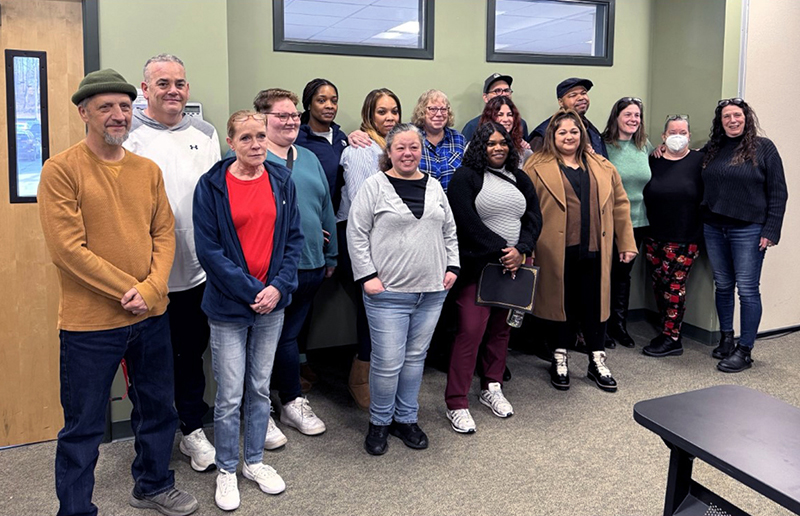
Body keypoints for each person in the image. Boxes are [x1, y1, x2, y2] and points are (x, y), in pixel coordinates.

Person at [39, 69, 198, 516]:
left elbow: (164, 234)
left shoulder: (146, 171)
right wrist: (130, 288)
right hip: (90, 324)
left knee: (158, 410)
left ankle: (152, 484)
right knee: (84, 426)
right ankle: (74, 509)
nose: (117, 115)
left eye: (125, 107)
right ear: (83, 112)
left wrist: (151, 289)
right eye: (106, 107)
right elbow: (68, 249)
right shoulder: (61, 169)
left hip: (149, 315)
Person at [193, 110, 303, 510]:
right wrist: (252, 290)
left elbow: (293, 240)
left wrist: (277, 288)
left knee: (258, 388)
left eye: (260, 136)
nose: (256, 145)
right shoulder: (212, 186)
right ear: (230, 141)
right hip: (228, 307)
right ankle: (226, 469)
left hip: (272, 305)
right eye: (246, 138)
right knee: (228, 394)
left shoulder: (281, 180)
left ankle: (253, 461)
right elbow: (209, 251)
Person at [123, 53, 219, 473]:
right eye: (163, 83)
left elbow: (218, 197)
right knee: (148, 366)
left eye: (179, 83)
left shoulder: (206, 132)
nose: (173, 90)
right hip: (146, 275)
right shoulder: (126, 135)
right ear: (145, 89)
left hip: (197, 272)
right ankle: (152, 443)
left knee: (191, 355)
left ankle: (192, 428)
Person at [347, 123, 459, 455]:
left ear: (421, 151)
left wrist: (452, 266)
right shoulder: (374, 186)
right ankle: (379, 423)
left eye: (414, 148)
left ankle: (406, 419)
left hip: (432, 291)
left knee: (414, 360)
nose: (408, 154)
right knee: (387, 362)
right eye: (401, 148)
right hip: (388, 294)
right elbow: (356, 233)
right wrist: (367, 275)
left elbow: (449, 231)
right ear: (389, 152)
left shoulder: (435, 186)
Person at [524, 109, 636, 393]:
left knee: (595, 304)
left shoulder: (602, 166)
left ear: (582, 134)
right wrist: (527, 248)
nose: (568, 137)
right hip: (553, 251)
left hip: (595, 249)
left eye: (574, 131)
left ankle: (597, 360)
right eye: (562, 132)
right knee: (561, 304)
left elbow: (621, 206)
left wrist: (626, 243)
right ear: (552, 135)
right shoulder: (535, 166)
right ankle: (559, 358)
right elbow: (525, 210)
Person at [444, 122, 541, 433]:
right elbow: (466, 222)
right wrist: (504, 250)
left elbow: (533, 218)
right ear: (479, 147)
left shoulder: (520, 178)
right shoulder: (465, 177)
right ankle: (457, 402)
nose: (498, 148)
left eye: (503, 143)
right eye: (490, 143)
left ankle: (491, 387)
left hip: (513, 268)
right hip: (478, 268)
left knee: (501, 332)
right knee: (470, 332)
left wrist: (522, 249)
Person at [254, 88, 335, 448]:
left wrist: (331, 257)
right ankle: (281, 403)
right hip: (272, 271)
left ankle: (284, 401)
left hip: (312, 266)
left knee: (292, 337)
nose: (289, 122)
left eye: (293, 116)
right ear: (262, 119)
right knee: (275, 339)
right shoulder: (250, 156)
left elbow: (325, 207)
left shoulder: (308, 157)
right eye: (280, 116)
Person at [701, 98, 787, 372]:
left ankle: (745, 349)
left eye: (737, 115)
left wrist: (771, 229)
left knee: (748, 290)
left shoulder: (764, 148)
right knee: (723, 285)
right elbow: (688, 164)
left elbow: (778, 191)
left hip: (748, 229)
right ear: (720, 121)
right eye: (726, 116)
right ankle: (726, 338)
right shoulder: (713, 149)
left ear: (746, 118)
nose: (732, 120)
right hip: (714, 227)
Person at [337, 88, 401, 411]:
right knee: (371, 306)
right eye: (381, 112)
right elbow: (366, 203)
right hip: (359, 237)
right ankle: (359, 377)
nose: (389, 118)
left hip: (388, 238)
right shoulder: (360, 150)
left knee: (384, 306)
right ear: (368, 115)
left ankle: (380, 374)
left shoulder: (397, 146)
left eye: (393, 111)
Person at [641, 115, 704, 357]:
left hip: (685, 237)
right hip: (654, 234)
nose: (678, 136)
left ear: (689, 136)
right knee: (659, 286)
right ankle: (665, 329)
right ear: (664, 136)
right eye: (673, 132)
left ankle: (672, 338)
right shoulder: (653, 160)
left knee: (675, 286)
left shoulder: (699, 161)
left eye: (683, 132)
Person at [600, 97, 653, 348]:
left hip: (639, 221)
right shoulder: (604, 145)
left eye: (637, 116)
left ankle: (619, 326)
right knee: (605, 275)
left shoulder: (644, 146)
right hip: (610, 222)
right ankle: (602, 326)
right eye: (628, 115)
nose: (633, 120)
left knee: (623, 276)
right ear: (617, 117)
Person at [295, 78, 349, 212]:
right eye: (321, 100)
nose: (330, 106)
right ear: (309, 104)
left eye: (334, 101)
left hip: (338, 217)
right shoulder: (297, 138)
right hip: (309, 214)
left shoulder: (341, 137)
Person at [529, 78, 608, 157]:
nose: (581, 98)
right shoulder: (544, 132)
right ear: (561, 102)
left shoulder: (591, 129)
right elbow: (533, 165)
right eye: (573, 95)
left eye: (583, 93)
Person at [411, 89, 466, 192]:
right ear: (422, 111)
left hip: (452, 205)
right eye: (433, 109)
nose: (439, 114)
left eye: (443, 109)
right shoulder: (410, 136)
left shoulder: (458, 139)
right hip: (418, 204)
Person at [461, 73, 529, 141]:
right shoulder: (473, 126)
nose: (503, 94)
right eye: (497, 91)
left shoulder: (520, 124)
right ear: (485, 98)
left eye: (506, 90)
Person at [477, 96, 533, 166]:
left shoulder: (523, 150)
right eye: (500, 115)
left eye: (509, 115)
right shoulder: (474, 147)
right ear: (489, 118)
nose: (506, 119)